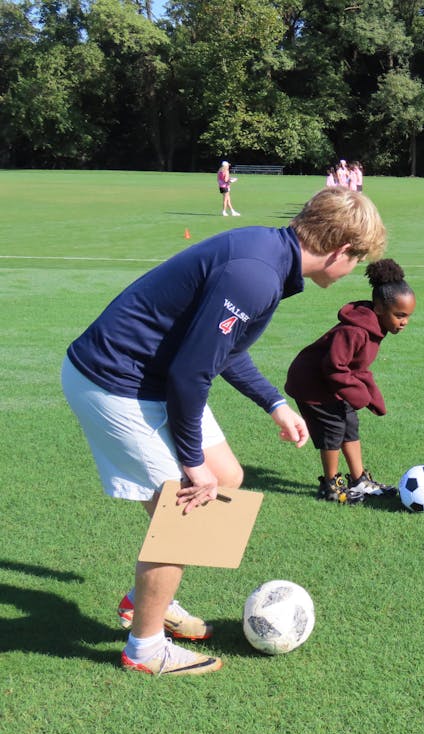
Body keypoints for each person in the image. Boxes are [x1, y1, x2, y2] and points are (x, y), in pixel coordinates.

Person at [61, 187, 387, 676]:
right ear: (341, 251)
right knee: (187, 514)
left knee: (226, 477)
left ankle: (142, 602)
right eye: (356, 260)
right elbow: (191, 373)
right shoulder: (256, 274)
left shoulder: (271, 254)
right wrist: (191, 464)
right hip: (114, 381)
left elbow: (224, 349)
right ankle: (144, 649)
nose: (350, 271)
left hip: (149, 377)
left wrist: (274, 403)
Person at [285, 259, 414, 505]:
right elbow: (334, 367)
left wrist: (373, 396)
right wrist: (360, 395)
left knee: (350, 424)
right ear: (378, 309)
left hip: (330, 381)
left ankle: (359, 480)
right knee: (333, 429)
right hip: (311, 383)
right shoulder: (354, 331)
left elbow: (358, 368)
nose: (404, 321)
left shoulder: (376, 328)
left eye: (407, 316)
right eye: (399, 315)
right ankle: (330, 486)